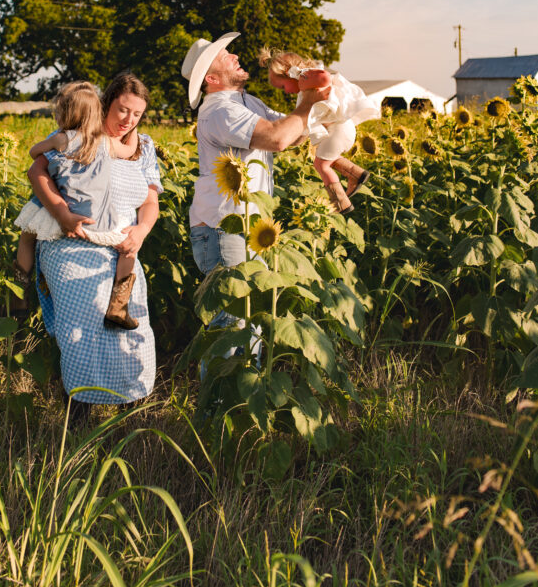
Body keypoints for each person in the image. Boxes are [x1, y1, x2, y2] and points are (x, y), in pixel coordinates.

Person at [28, 73, 162, 407]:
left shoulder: (143, 147)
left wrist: (141, 232)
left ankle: (129, 407)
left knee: (132, 330)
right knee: (82, 329)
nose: (128, 120)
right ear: (106, 104)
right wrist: (62, 213)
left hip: (122, 249)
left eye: (136, 114)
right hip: (72, 245)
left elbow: (150, 202)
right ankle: (78, 409)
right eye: (122, 110)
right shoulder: (78, 136)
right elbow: (37, 171)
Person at [181, 31, 328, 286]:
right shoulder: (220, 110)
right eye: (224, 56)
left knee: (250, 316)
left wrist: (313, 95)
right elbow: (277, 138)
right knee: (234, 319)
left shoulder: (249, 103)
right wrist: (307, 106)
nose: (235, 55)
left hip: (246, 225)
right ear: (211, 78)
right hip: (224, 229)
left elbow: (293, 134)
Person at [13, 80, 140, 329]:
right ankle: (119, 304)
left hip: (59, 214)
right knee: (128, 249)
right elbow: (130, 150)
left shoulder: (61, 139)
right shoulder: (107, 141)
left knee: (26, 237)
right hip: (98, 221)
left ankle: (19, 292)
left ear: (63, 113)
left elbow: (33, 152)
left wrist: (54, 143)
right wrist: (133, 131)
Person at [259, 48, 380, 215]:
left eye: (282, 86)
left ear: (289, 74)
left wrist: (301, 74)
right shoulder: (305, 92)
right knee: (329, 159)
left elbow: (324, 76)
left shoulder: (306, 80)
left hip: (339, 130)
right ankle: (356, 174)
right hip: (343, 129)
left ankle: (340, 202)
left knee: (320, 164)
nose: (285, 91)